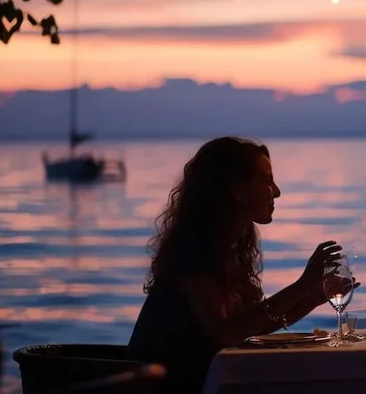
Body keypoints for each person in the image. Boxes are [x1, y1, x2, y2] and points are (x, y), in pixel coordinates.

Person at [129, 136, 348, 393]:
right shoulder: (195, 253)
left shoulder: (229, 249)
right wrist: (302, 285)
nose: (277, 191)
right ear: (238, 190)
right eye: (267, 180)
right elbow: (226, 333)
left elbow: (254, 325)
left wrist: (314, 296)